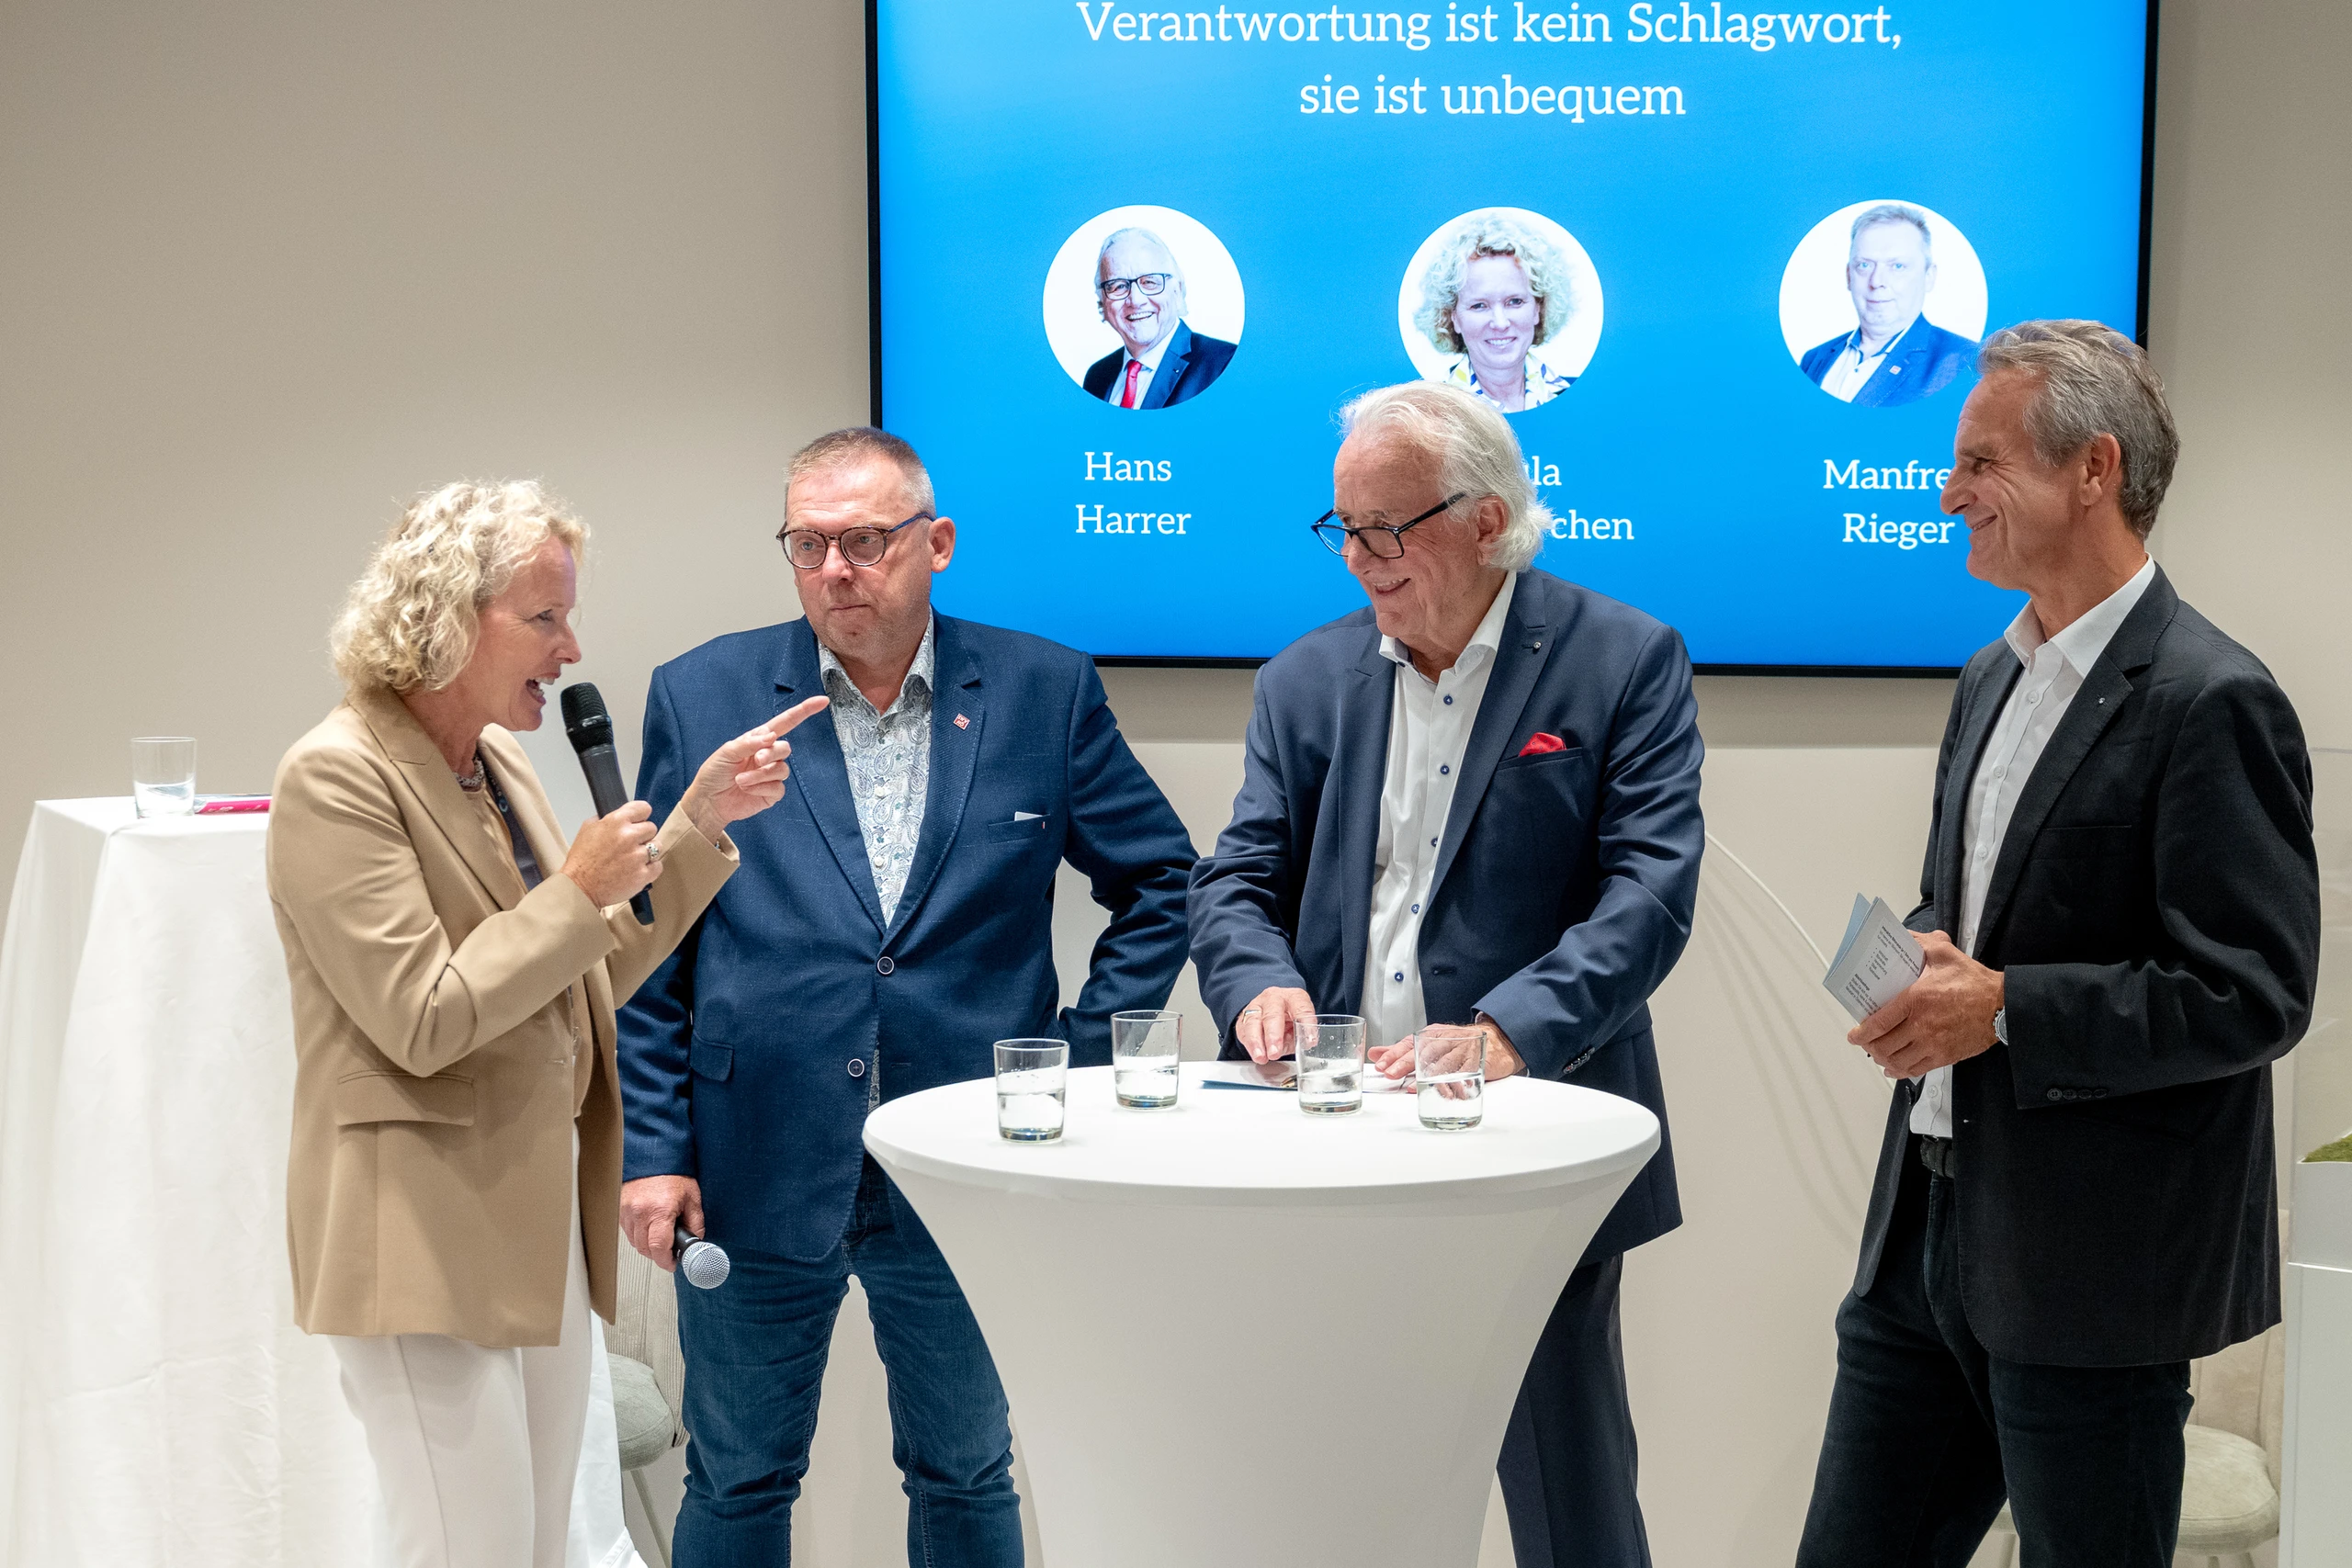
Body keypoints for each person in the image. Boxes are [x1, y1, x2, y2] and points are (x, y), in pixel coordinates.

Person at [616, 427, 1196, 1565]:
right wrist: (653, 1147)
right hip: (753, 1153)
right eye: (809, 544)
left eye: (865, 541)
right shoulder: (704, 693)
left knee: (966, 1471)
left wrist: (1075, 1060)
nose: (835, 569)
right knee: (735, 1476)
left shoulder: (1041, 690)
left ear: (936, 543)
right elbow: (651, 936)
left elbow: (1160, 881)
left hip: (969, 1157)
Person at [1795, 321, 2321, 1567]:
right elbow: (1967, 912)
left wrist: (2003, 1007)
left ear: (2094, 468)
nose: (1948, 492)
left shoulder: (2212, 698)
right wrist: (1922, 964)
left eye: (1980, 461)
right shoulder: (1991, 674)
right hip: (1923, 1237)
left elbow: (2254, 991)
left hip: (2096, 1270)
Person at [1189, 381, 1704, 1568]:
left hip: (1527, 1131)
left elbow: (1650, 892)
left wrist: (1509, 1030)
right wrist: (1257, 981)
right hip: (1333, 1128)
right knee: (1335, 1472)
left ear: (1487, 520)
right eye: (1344, 528)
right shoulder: (1304, 678)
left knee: (1565, 1483)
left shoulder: (1621, 658)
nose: (1360, 559)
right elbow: (1234, 878)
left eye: (1388, 528)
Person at [267, 480, 826, 1568]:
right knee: (462, 1546)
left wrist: (697, 821)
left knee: (532, 1543)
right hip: (418, 1232)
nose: (571, 649)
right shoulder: (337, 776)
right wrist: (575, 891)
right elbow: (424, 1017)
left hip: (533, 1221)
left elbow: (580, 976)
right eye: (544, 618)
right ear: (447, 616)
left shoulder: (499, 762)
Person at [1798, 203, 1977, 408]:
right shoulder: (1814, 359)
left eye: (1897, 266)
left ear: (1928, 276)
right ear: (1849, 276)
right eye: (1864, 265)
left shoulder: (1964, 362)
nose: (1877, 281)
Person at [1413, 210, 1580, 413]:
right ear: (1453, 317)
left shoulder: (1581, 399)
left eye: (1515, 302)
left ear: (1538, 308)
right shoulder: (1430, 413)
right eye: (1479, 306)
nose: (1500, 323)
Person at [1080, 226, 1237, 409]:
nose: (1136, 300)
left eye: (1149, 282)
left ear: (1177, 290)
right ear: (1103, 301)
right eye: (1119, 286)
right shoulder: (1096, 377)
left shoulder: (1223, 365)